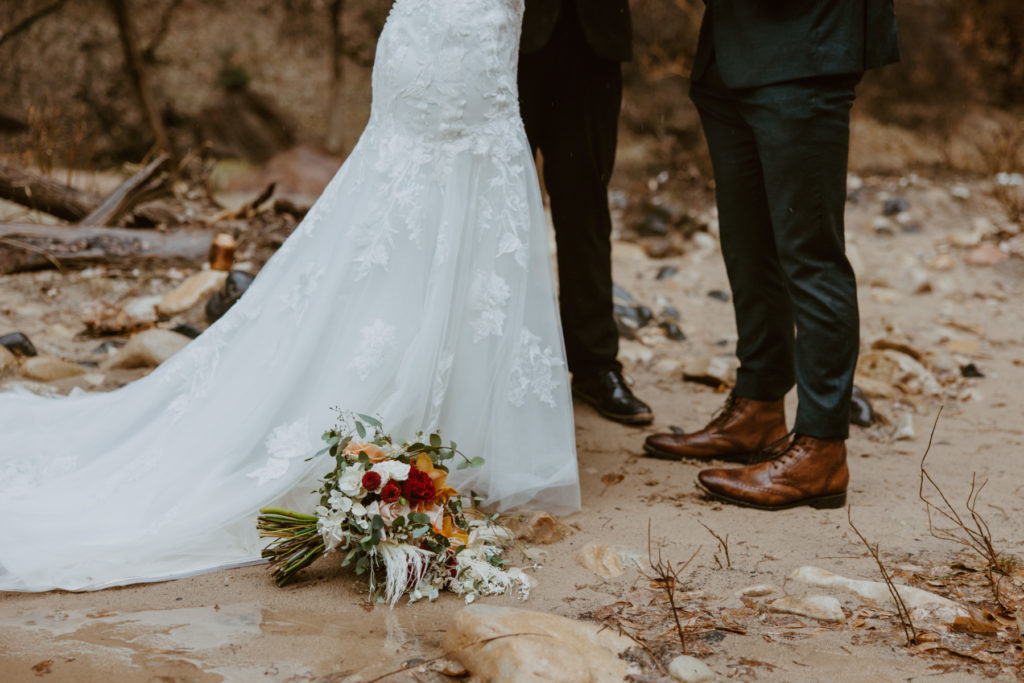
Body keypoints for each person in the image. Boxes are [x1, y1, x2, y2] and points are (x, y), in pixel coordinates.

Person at [0, 0, 581, 592]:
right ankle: (382, 425)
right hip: (444, 46)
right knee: (405, 215)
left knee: (456, 213)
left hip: (477, 48)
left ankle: (445, 427)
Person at [644, 1, 899, 510]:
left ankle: (822, 447)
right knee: (748, 244)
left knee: (810, 255)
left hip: (805, 46)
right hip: (730, 52)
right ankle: (758, 407)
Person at [518, 0, 653, 426]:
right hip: (506, 39)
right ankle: (501, 364)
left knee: (586, 210)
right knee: (498, 207)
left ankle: (595, 366)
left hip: (593, 38)